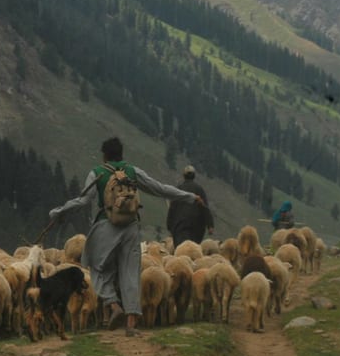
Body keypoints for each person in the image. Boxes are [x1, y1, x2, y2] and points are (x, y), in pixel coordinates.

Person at [48, 137, 206, 336]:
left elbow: (83, 201)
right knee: (131, 273)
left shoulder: (97, 173)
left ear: (105, 155)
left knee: (97, 267)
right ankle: (131, 324)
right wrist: (191, 197)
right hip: (131, 226)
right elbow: (160, 189)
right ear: (121, 154)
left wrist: (59, 212)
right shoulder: (132, 172)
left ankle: (114, 306)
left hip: (106, 225)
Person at [166, 165, 215, 246]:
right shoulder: (199, 189)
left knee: (181, 251)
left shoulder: (178, 189)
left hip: (180, 226)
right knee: (193, 251)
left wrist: (169, 226)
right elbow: (205, 208)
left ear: (184, 176)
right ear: (194, 176)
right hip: (196, 227)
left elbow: (172, 209)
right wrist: (210, 225)